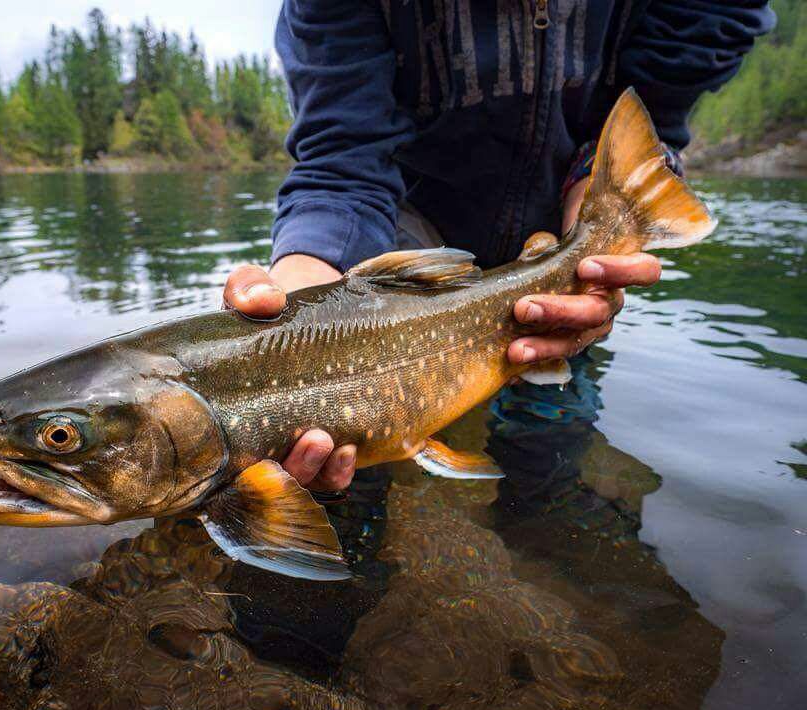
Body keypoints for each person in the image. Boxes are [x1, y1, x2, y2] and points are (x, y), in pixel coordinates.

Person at [222, 0, 774, 492]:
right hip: (403, 239)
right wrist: (298, 302)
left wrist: (593, 226)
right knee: (342, 486)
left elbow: (659, 92)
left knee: (553, 462)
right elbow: (342, 162)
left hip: (558, 227)